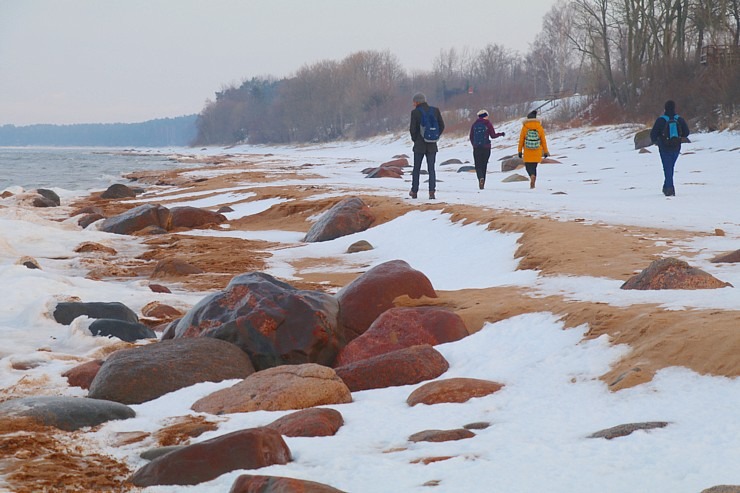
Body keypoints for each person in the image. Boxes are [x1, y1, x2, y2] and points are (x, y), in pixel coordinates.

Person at [649, 100, 690, 196]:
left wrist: (657, 141)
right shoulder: (679, 119)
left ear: (665, 108)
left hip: (664, 147)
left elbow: (653, 135)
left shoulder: (661, 120)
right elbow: (686, 133)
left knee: (667, 168)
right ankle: (666, 186)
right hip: (676, 147)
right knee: (670, 167)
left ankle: (669, 189)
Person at [409, 92, 445, 199]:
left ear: (417, 102)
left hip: (419, 145)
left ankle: (414, 191)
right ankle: (432, 192)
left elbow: (413, 129)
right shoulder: (435, 110)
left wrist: (415, 140)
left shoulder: (415, 112)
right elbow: (442, 125)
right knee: (431, 169)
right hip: (432, 145)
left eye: (414, 102)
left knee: (416, 169)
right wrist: (435, 137)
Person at [469, 109, 505, 189]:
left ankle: (480, 178)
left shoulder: (474, 124)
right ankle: (483, 182)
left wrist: (474, 145)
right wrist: (501, 134)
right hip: (486, 148)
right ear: (485, 116)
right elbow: (493, 135)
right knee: (484, 165)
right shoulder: (488, 123)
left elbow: (471, 136)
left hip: (477, 148)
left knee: (478, 166)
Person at [517, 110, 549, 189]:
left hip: (528, 151)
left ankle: (531, 176)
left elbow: (521, 140)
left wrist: (519, 151)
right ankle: (533, 177)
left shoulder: (525, 127)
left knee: (528, 167)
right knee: (534, 166)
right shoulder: (539, 127)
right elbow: (543, 141)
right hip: (537, 150)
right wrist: (545, 151)